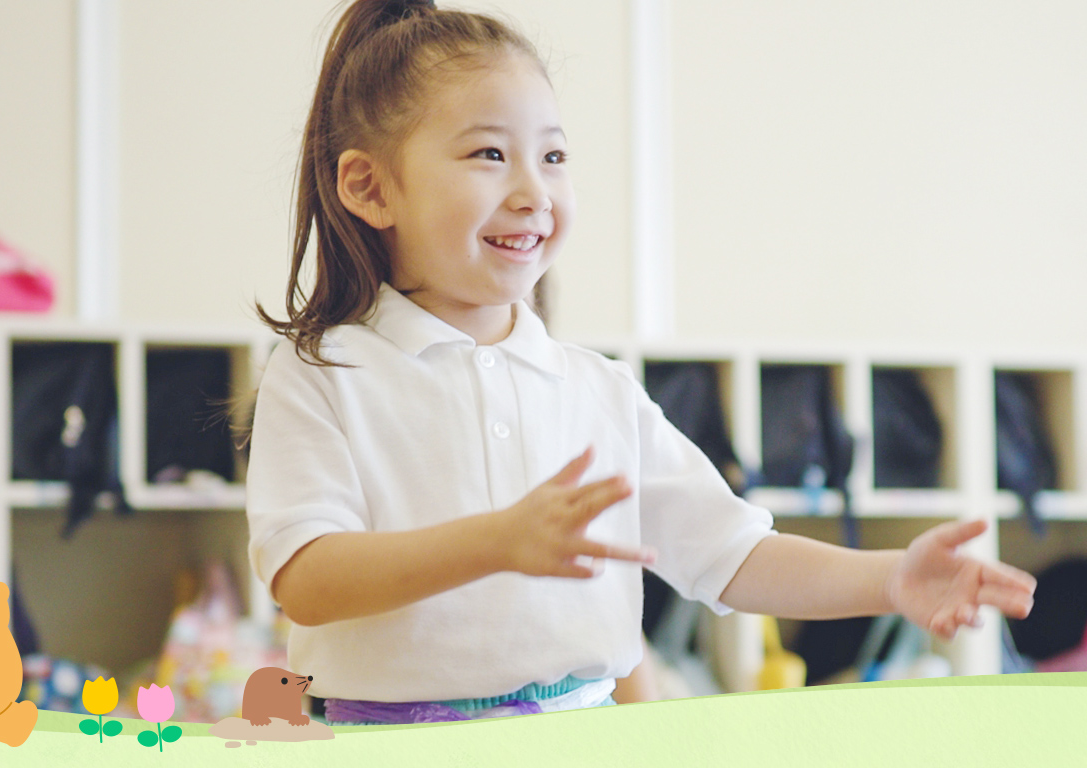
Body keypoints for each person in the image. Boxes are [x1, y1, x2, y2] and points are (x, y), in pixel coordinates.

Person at [244, 0, 1038, 726]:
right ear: (369, 187)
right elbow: (306, 579)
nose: (534, 192)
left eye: (553, 157)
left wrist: (889, 580)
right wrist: (495, 542)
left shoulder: (595, 388)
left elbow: (730, 554)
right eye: (489, 153)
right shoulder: (322, 373)